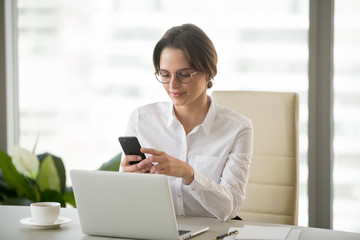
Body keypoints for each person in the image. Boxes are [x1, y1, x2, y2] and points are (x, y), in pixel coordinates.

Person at [120, 23, 253, 221]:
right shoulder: (141, 119)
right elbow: (127, 201)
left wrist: (189, 174)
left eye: (184, 74)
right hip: (155, 230)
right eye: (165, 75)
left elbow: (230, 208)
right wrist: (125, 178)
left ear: (209, 72)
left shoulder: (237, 129)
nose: (173, 85)